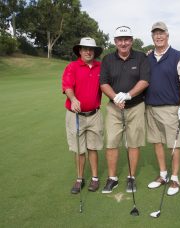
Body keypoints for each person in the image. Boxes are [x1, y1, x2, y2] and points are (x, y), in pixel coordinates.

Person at [100, 26, 150, 194]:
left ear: (131, 41)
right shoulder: (107, 59)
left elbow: (144, 80)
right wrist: (115, 97)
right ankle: (112, 178)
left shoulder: (141, 57)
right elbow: (103, 83)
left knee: (134, 142)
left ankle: (131, 177)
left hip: (135, 106)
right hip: (114, 108)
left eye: (126, 39)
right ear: (115, 42)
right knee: (112, 142)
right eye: (120, 40)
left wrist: (128, 95)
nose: (123, 43)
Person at [145, 22, 180, 196]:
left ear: (167, 35)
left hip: (171, 108)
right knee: (157, 142)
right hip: (150, 107)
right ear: (152, 37)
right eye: (155, 34)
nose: (158, 36)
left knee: (173, 145)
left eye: (161, 33)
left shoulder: (178, 56)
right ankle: (163, 174)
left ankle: (175, 178)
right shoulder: (147, 57)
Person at [62, 37, 104, 194]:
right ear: (79, 51)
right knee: (79, 149)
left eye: (91, 49)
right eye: (85, 49)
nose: (88, 51)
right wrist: (73, 99)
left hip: (94, 115)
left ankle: (94, 178)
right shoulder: (72, 67)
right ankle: (79, 179)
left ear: (94, 51)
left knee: (93, 148)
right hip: (75, 115)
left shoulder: (101, 67)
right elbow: (67, 86)